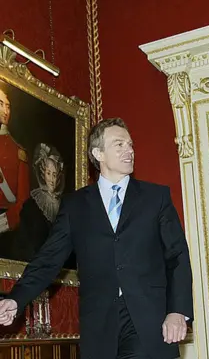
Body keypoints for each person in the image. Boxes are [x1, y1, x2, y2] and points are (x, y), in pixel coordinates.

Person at [0, 118, 193, 359]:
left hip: (149, 322)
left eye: (130, 144)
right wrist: (16, 299)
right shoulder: (74, 206)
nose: (129, 150)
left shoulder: (157, 198)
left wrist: (177, 311)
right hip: (99, 327)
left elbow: (177, 256)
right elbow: (48, 259)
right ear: (98, 153)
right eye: (119, 144)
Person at [13, 143, 66, 262]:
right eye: (48, 173)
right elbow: (24, 243)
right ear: (42, 173)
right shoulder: (31, 205)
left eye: (54, 174)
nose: (52, 180)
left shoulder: (64, 207)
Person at [0, 84, 29, 236]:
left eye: (8, 106)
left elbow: (22, 198)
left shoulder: (18, 151)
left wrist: (8, 221)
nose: (5, 111)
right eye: (0, 104)